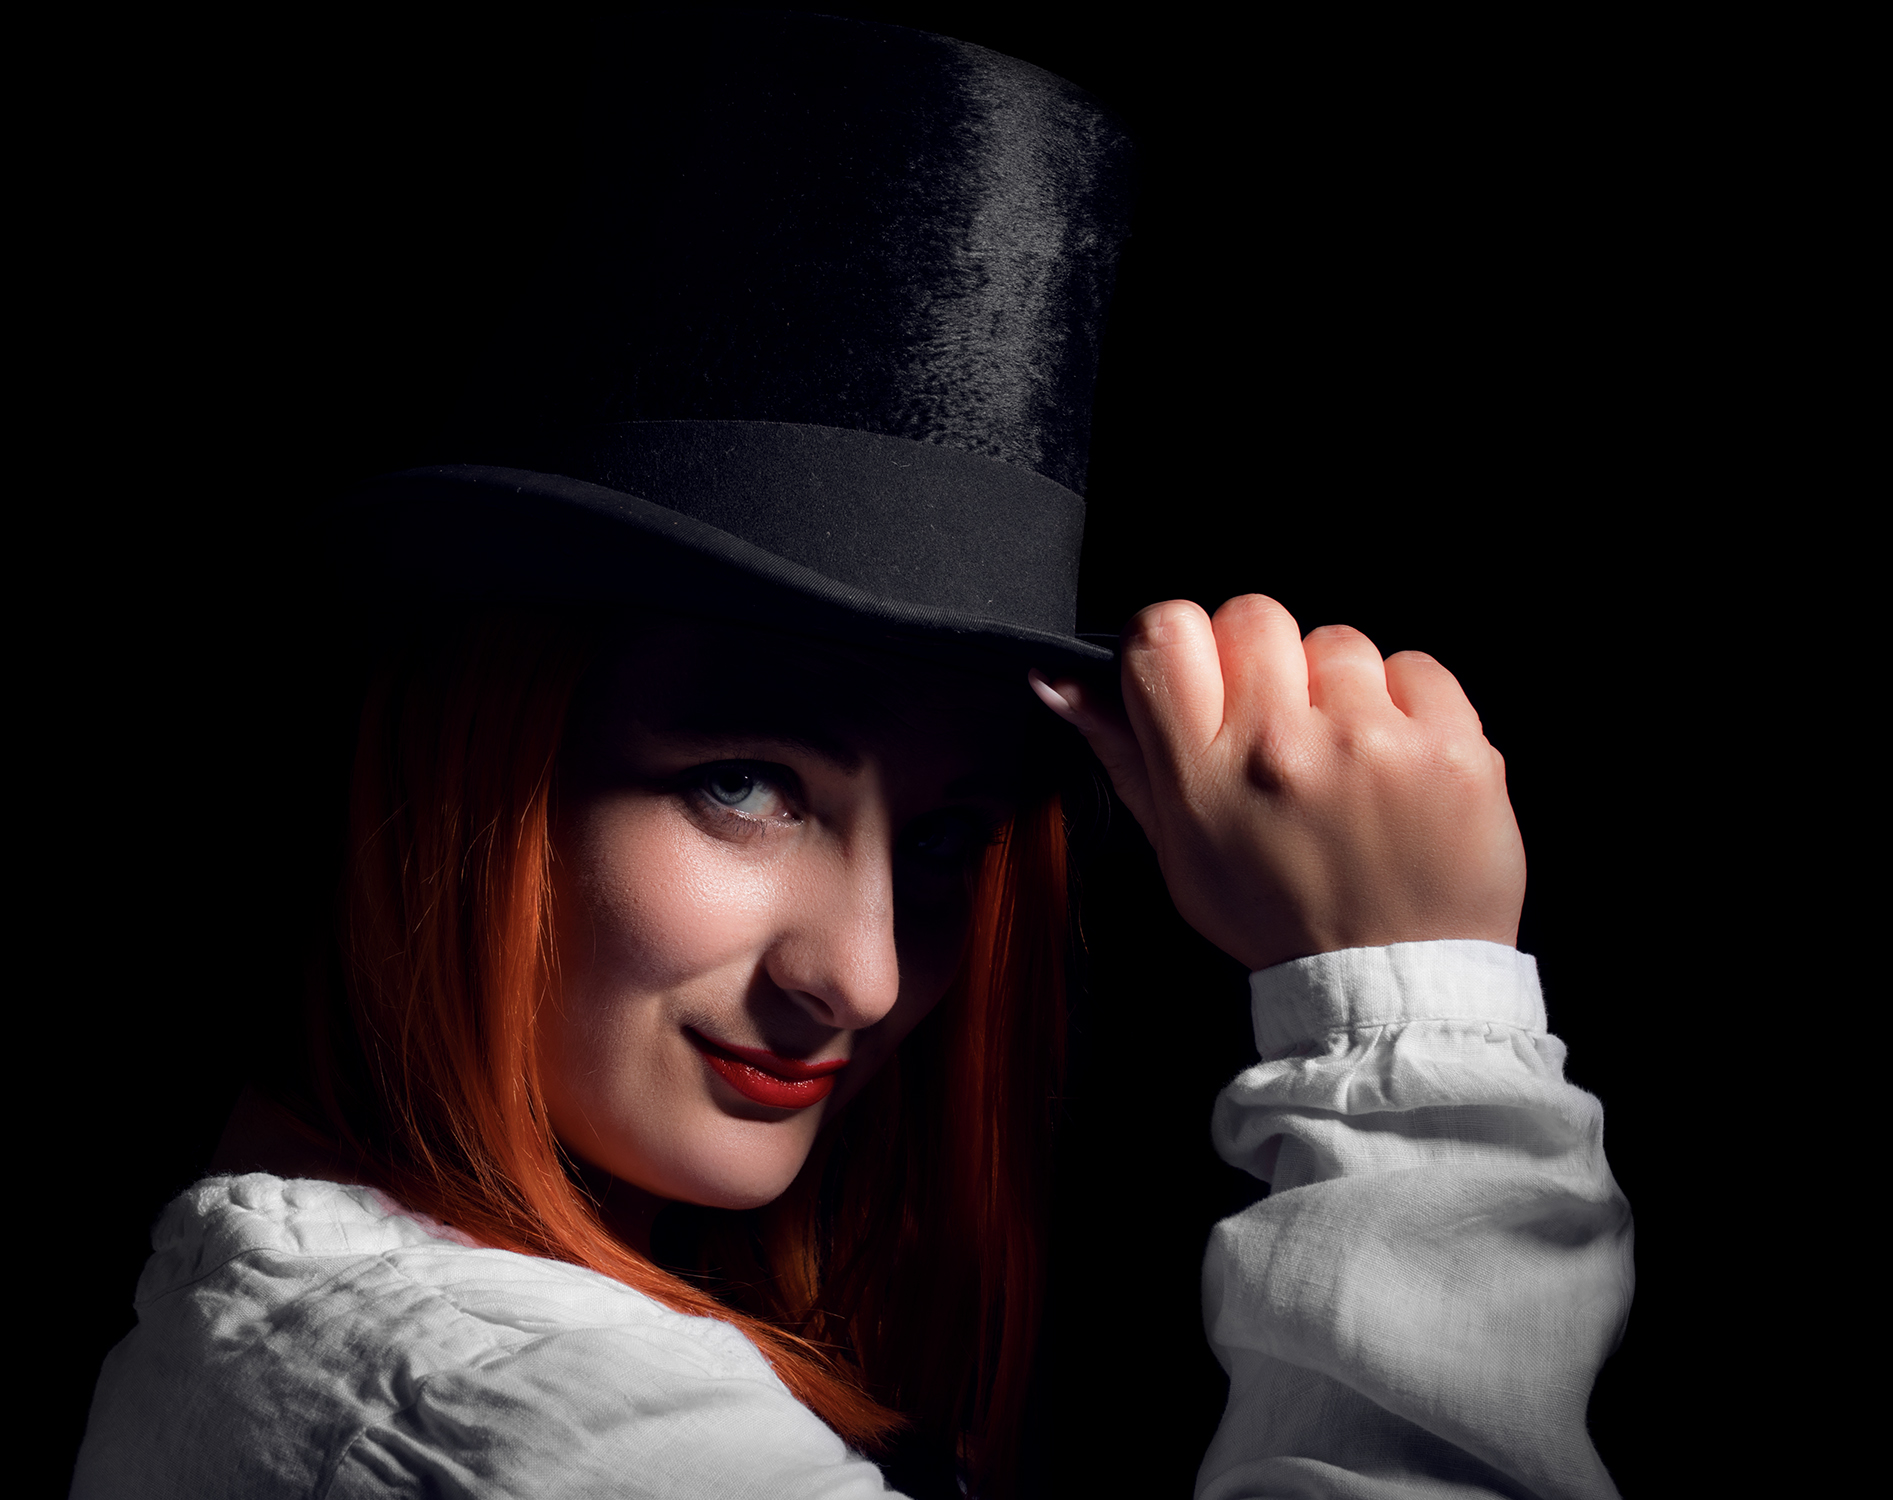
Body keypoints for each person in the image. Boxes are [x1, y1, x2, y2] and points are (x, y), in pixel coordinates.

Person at [71, 12, 1631, 1499]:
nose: (867, 979)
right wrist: (1412, 1032)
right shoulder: (510, 1416)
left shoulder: (350, 1342)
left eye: (947, 838)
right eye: (741, 783)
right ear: (458, 765)